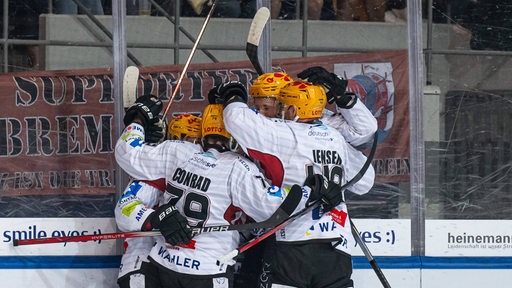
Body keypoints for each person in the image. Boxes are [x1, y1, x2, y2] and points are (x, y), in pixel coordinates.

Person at [115, 94, 342, 288]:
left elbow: (128, 153)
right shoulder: (239, 168)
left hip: (164, 263)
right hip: (207, 269)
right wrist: (310, 193)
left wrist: (138, 120)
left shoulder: (175, 151)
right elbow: (272, 210)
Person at [211, 70, 376, 287]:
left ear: (290, 107)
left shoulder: (282, 131)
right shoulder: (331, 136)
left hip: (289, 239)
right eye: (257, 106)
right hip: (334, 243)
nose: (262, 113)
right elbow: (365, 179)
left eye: (270, 107)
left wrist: (233, 96)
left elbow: (237, 119)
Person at [115, 113, 201, 288]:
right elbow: (124, 209)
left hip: (178, 266)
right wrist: (156, 218)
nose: (197, 147)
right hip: (142, 261)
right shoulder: (156, 168)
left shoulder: (208, 173)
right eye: (192, 140)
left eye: (199, 140)